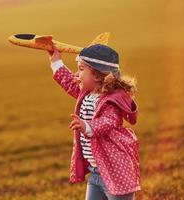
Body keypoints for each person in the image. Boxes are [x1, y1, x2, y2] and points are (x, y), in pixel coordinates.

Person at [47, 44, 141, 200]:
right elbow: (69, 82)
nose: (77, 74)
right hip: (96, 173)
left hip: (116, 172)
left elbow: (108, 122)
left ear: (97, 76)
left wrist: (86, 126)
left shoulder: (112, 100)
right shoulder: (86, 93)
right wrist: (55, 61)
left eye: (81, 69)